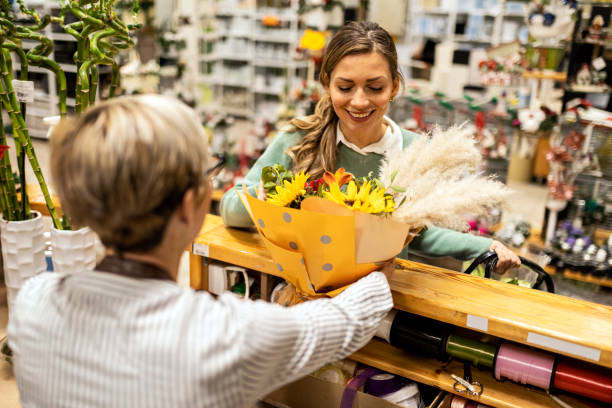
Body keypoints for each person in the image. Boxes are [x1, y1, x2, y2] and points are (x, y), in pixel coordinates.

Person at [7, 95, 394, 407]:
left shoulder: (33, 303)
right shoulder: (221, 334)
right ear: (188, 205)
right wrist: (381, 261)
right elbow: (344, 322)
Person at [220, 21, 520, 273]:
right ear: (326, 84)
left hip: (382, 301)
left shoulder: (415, 153)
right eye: (345, 87)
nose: (360, 101)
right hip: (304, 299)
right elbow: (229, 208)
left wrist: (485, 246)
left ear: (395, 87)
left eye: (375, 87)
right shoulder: (300, 140)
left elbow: (419, 234)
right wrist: (263, 200)